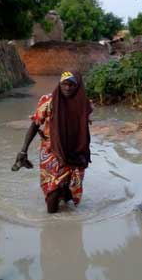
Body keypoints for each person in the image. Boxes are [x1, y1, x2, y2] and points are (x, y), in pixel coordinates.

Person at [12, 71, 93, 213]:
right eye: (64, 84)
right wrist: (23, 150)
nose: (67, 88)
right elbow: (35, 125)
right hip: (52, 152)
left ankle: (66, 228)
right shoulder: (48, 101)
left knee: (69, 191)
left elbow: (83, 129)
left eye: (71, 85)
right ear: (60, 84)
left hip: (76, 152)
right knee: (53, 190)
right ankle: (51, 224)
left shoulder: (84, 104)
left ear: (78, 86)